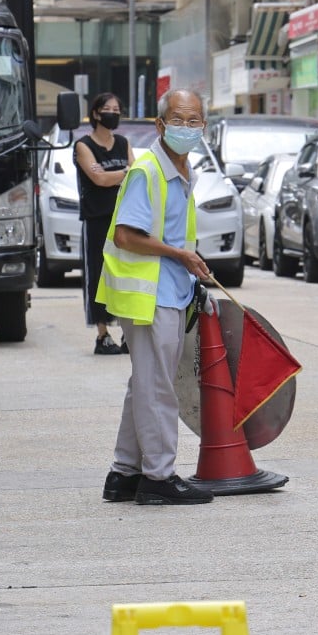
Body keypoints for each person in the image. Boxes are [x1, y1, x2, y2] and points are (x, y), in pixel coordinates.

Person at [97, 88, 215, 506]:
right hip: (151, 297)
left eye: (195, 120)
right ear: (160, 124)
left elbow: (174, 235)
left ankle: (124, 474)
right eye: (179, 119)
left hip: (170, 292)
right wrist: (180, 254)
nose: (187, 128)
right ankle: (159, 478)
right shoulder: (147, 170)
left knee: (145, 385)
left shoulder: (182, 171)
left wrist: (189, 261)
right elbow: (125, 234)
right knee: (158, 388)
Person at [74, 92, 133, 355]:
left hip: (124, 219)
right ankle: (102, 334)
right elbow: (99, 180)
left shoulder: (123, 142)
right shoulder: (83, 145)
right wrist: (124, 174)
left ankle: (128, 333)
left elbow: (136, 175)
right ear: (96, 113)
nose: (114, 113)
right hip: (96, 220)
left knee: (125, 273)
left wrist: (113, 175)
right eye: (108, 108)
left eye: (117, 109)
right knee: (98, 275)